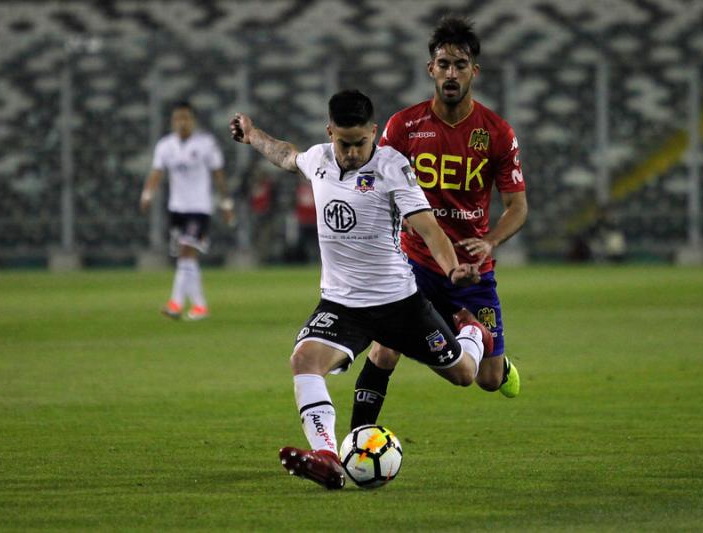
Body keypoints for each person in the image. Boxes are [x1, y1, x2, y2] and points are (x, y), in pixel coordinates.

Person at [230, 89, 495, 490]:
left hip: (399, 304)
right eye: (344, 143)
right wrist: (253, 135)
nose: (353, 153)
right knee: (304, 361)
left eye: (360, 143)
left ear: (374, 132)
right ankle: (326, 457)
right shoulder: (318, 159)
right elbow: (285, 155)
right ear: (330, 133)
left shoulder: (393, 167)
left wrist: (452, 269)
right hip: (342, 305)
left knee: (463, 374)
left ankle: (473, 332)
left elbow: (428, 227)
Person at [350, 16, 529, 430]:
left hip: (472, 270)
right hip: (415, 263)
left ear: (474, 71)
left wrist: (490, 241)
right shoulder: (404, 126)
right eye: (444, 64)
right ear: (431, 69)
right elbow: (373, 184)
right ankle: (356, 442)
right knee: (385, 348)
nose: (451, 73)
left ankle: (488, 357)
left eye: (460, 65)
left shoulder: (497, 133)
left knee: (486, 379)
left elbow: (517, 206)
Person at [140, 101, 234, 320]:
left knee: (186, 252)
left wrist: (226, 203)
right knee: (186, 259)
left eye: (186, 118)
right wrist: (147, 194)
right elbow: (156, 172)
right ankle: (200, 306)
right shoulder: (165, 146)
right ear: (172, 122)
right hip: (176, 209)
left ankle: (175, 304)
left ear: (193, 120)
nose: (182, 122)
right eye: (178, 118)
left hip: (199, 208)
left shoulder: (206, 144)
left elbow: (218, 175)